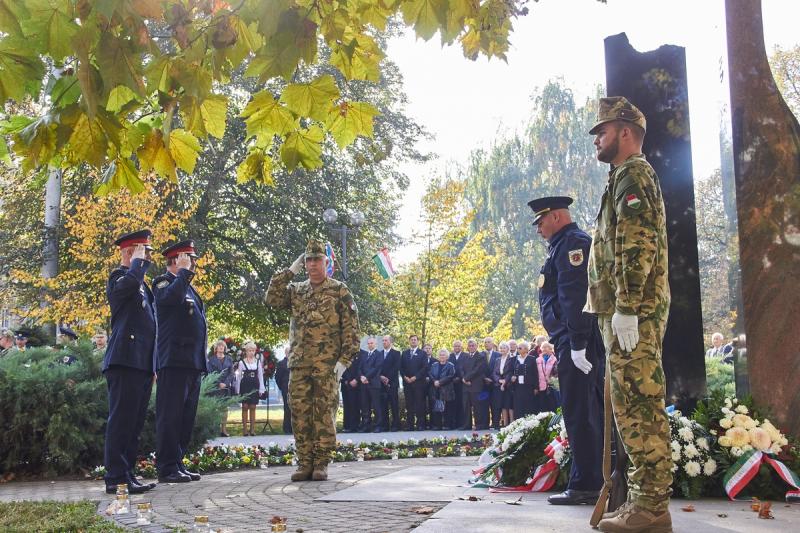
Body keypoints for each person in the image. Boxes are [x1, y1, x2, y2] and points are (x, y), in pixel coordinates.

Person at [586, 97, 672, 532]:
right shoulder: (622, 176)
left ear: (624, 132)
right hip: (624, 314)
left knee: (640, 408)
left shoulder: (634, 173)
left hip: (631, 315)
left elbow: (636, 244)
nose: (597, 139)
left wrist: (626, 307)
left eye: (602, 131)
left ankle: (652, 508)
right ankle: (645, 504)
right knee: (630, 406)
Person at [529, 194, 606, 506]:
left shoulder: (573, 243)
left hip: (579, 343)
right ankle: (589, 480)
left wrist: (577, 344)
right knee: (581, 411)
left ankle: (587, 484)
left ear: (557, 217)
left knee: (581, 412)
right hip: (573, 341)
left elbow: (575, 298)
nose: (538, 228)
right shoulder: (561, 245)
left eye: (541, 221)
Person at [265, 240, 360, 482]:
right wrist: (289, 271)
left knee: (324, 414)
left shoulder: (339, 290)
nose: (312, 265)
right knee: (300, 414)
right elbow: (272, 299)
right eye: (308, 260)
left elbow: (351, 329)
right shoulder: (297, 290)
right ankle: (304, 462)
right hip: (299, 365)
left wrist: (343, 362)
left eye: (317, 260)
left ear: (326, 263)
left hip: (327, 366)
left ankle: (321, 463)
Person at [102, 229, 157, 495]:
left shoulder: (141, 284)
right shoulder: (119, 278)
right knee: (121, 421)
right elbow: (125, 287)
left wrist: (153, 364)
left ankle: (127, 474)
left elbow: (151, 328)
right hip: (124, 361)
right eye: (143, 252)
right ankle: (115, 477)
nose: (148, 257)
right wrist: (135, 264)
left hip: (141, 363)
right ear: (128, 252)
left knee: (133, 424)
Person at [153, 240, 207, 484]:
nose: (193, 263)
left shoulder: (188, 288)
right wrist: (182, 274)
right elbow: (167, 300)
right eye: (189, 259)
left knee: (185, 418)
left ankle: (177, 462)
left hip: (191, 362)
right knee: (171, 416)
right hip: (173, 361)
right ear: (176, 260)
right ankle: (166, 467)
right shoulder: (163, 282)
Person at [235, 341, 265, 436]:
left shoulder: (258, 362)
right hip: (245, 385)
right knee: (245, 407)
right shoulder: (241, 362)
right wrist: (237, 389)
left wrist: (261, 389)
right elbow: (239, 377)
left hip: (254, 385)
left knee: (253, 406)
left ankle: (252, 430)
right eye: (249, 350)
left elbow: (260, 376)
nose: (251, 352)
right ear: (246, 351)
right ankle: (245, 430)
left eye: (253, 350)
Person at [400, 334, 429, 430]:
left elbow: (425, 368)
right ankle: (410, 425)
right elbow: (401, 367)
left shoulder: (423, 353)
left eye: (415, 340)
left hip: (418, 383)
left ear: (418, 341)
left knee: (419, 404)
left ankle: (420, 425)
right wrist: (405, 377)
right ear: (409, 341)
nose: (413, 341)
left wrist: (415, 377)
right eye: (411, 340)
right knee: (409, 404)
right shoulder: (404, 353)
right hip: (407, 383)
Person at [207, 339, 234, 437]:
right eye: (219, 346)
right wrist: (218, 383)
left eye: (223, 346)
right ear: (216, 348)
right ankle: (215, 430)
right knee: (215, 408)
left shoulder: (229, 359)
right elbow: (210, 373)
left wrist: (225, 383)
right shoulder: (211, 359)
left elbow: (231, 373)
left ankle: (224, 430)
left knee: (224, 409)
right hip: (215, 387)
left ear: (225, 348)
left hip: (225, 388)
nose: (221, 347)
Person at [461, 338, 489, 430]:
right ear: (467, 347)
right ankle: (467, 425)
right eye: (470, 346)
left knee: (477, 406)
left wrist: (467, 378)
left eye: (473, 345)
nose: (471, 347)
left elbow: (477, 370)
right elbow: (461, 369)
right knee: (466, 406)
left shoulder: (480, 356)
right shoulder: (465, 356)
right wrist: (464, 379)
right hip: (465, 385)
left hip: (476, 385)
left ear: (477, 346)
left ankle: (479, 424)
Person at [359, 337, 385, 432]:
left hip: (374, 384)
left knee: (376, 406)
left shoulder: (379, 354)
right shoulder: (364, 355)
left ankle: (378, 426)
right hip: (364, 384)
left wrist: (367, 377)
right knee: (365, 406)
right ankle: (366, 425)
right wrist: (361, 376)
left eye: (372, 343)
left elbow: (376, 368)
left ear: (376, 344)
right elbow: (359, 367)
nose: (370, 345)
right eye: (369, 343)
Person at [429, 348, 456, 430]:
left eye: (443, 355)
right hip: (436, 389)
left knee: (448, 408)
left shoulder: (450, 365)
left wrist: (440, 382)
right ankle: (438, 425)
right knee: (437, 407)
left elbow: (451, 376)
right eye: (440, 355)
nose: (442, 356)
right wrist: (434, 381)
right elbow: (430, 374)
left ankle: (447, 425)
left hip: (447, 389)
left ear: (447, 356)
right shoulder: (434, 365)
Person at [379, 335, 401, 431]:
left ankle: (395, 425)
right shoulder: (379, 354)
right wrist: (381, 376)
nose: (384, 342)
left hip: (392, 383)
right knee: (383, 405)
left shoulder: (396, 353)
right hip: (381, 383)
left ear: (390, 342)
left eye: (386, 340)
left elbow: (396, 367)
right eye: (383, 340)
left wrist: (387, 378)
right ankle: (385, 425)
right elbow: (377, 367)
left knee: (394, 404)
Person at [510, 341, 538, 418]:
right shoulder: (513, 359)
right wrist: (511, 377)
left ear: (526, 349)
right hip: (517, 386)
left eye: (520, 348)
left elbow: (535, 373)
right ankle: (518, 423)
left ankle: (529, 424)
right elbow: (510, 372)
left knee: (528, 406)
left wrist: (536, 387)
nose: (518, 349)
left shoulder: (532, 359)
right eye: (518, 348)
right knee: (518, 405)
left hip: (529, 386)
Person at [341, 344, 362, 433]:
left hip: (356, 384)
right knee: (347, 406)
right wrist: (345, 380)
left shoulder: (361, 354)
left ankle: (356, 425)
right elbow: (341, 368)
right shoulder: (343, 354)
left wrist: (356, 380)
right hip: (345, 384)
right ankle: (347, 426)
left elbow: (361, 368)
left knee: (355, 405)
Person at [492, 341, 515, 426]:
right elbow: (494, 372)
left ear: (508, 349)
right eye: (501, 348)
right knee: (502, 405)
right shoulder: (497, 359)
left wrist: (505, 381)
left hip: (508, 385)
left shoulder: (511, 359)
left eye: (504, 348)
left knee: (509, 405)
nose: (502, 349)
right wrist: (499, 381)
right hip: (499, 385)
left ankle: (512, 424)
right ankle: (505, 424)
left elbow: (511, 372)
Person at [483, 337, 502, 429]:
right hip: (483, 384)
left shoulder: (498, 354)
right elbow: (478, 369)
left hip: (495, 384)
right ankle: (485, 424)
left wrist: (492, 379)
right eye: (485, 342)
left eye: (489, 342)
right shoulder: (480, 354)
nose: (487, 344)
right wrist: (485, 378)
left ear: (493, 343)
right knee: (484, 405)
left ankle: (496, 423)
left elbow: (499, 369)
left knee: (496, 405)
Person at [536, 342, 559, 413]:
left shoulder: (555, 359)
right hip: (541, 386)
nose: (544, 349)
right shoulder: (538, 360)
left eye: (546, 347)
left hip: (552, 386)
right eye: (543, 347)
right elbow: (535, 373)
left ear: (551, 349)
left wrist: (551, 379)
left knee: (553, 405)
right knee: (543, 406)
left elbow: (557, 372)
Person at [448, 340, 466, 429]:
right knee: (452, 404)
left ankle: (461, 423)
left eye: (458, 346)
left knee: (461, 404)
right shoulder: (450, 356)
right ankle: (452, 424)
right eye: (455, 346)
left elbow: (466, 368)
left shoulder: (465, 356)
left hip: (462, 383)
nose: (457, 348)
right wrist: (452, 378)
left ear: (461, 347)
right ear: (453, 347)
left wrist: (460, 377)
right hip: (451, 384)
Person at [275, 348, 292, 434]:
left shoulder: (295, 363)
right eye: (288, 352)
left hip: (295, 388)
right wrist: (282, 387)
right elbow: (277, 377)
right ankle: (287, 428)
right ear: (285, 353)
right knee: (287, 408)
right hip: (285, 388)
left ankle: (293, 428)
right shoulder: (281, 364)